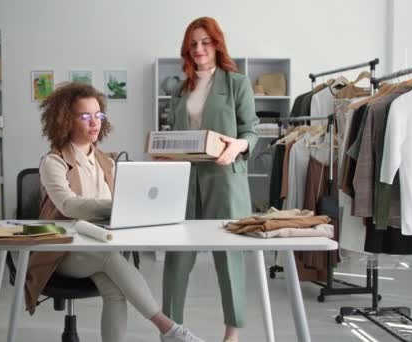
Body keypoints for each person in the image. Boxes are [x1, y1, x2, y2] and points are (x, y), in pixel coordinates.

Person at [24, 82, 204, 342]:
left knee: (115, 292)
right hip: (62, 252)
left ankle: (170, 332)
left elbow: (126, 202)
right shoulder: (53, 162)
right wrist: (115, 206)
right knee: (111, 259)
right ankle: (170, 330)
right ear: (65, 120)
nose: (94, 122)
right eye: (85, 116)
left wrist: (141, 206)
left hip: (96, 246)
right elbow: (69, 205)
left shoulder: (107, 162)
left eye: (99, 115)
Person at [161, 17, 259, 342]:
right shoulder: (181, 88)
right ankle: (170, 330)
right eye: (193, 43)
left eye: (205, 41)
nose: (199, 48)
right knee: (176, 259)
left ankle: (232, 334)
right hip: (185, 181)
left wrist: (238, 146)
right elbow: (174, 133)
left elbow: (251, 131)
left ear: (217, 43)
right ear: (187, 50)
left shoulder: (236, 83)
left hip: (224, 179)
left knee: (228, 259)